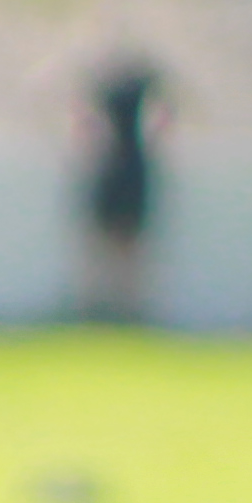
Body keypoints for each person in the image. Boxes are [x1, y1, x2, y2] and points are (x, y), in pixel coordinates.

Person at [75, 43, 169, 328]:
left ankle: (116, 309)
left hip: (116, 165)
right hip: (127, 166)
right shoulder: (137, 87)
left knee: (115, 246)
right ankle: (119, 309)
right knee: (120, 247)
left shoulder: (106, 87)